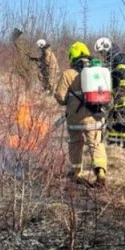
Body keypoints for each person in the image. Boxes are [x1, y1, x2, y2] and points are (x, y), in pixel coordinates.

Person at [37, 39, 108, 187]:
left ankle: (76, 173)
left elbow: (60, 97)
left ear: (72, 56)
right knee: (96, 144)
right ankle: (100, 173)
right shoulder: (98, 70)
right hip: (94, 117)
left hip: (75, 119)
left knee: (75, 143)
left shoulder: (68, 74)